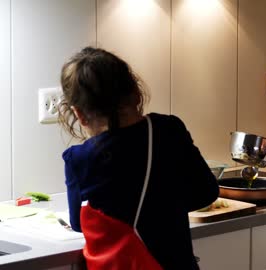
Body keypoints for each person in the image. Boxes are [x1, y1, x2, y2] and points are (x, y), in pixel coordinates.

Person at [58, 46, 219, 270]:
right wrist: (165, 209)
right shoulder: (169, 129)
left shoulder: (79, 159)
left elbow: (78, 224)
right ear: (135, 92)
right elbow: (206, 192)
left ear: (79, 114)